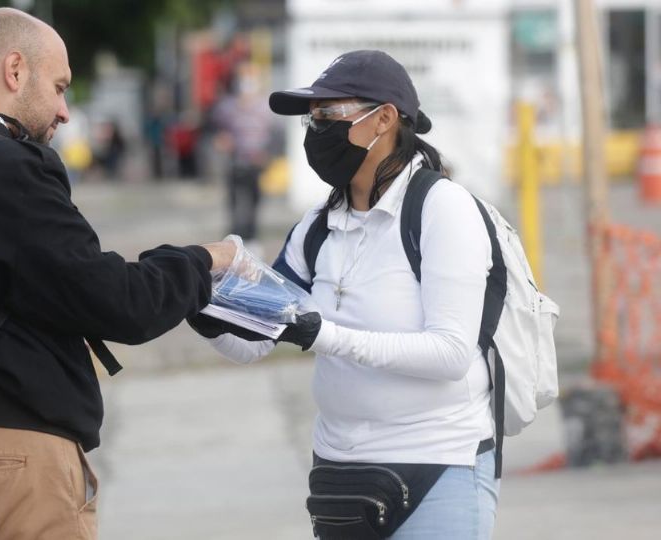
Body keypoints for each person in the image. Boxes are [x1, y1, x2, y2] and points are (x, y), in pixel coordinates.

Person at [0, 9, 237, 540]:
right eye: (59, 87)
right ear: (14, 71)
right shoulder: (4, 164)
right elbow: (116, 302)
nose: (64, 111)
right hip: (8, 461)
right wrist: (204, 261)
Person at [189, 50, 499, 539]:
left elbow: (450, 354)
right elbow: (257, 341)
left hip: (437, 465)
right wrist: (205, 309)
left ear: (386, 119)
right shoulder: (318, 225)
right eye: (312, 119)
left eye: (331, 114)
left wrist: (323, 335)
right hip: (339, 473)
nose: (317, 130)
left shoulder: (443, 209)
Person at [210, 62, 275, 249]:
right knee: (235, 202)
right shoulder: (227, 107)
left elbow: (275, 133)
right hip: (235, 162)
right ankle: (234, 240)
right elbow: (213, 127)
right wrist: (220, 138)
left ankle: (252, 237)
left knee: (254, 200)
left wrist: (267, 153)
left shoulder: (265, 106)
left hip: (256, 162)